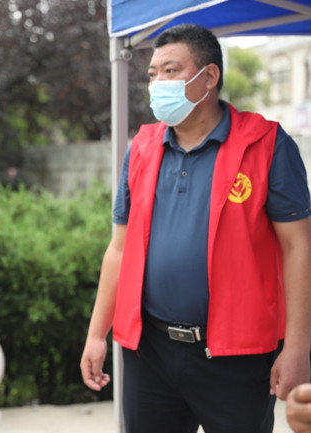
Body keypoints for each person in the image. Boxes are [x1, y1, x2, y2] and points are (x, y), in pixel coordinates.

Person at [80, 24, 311, 433]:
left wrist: (298, 347)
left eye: (171, 71)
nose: (157, 84)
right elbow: (119, 248)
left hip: (237, 355)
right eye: (153, 74)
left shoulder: (266, 144)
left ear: (209, 77)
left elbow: (299, 246)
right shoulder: (142, 148)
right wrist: (97, 334)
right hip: (149, 352)